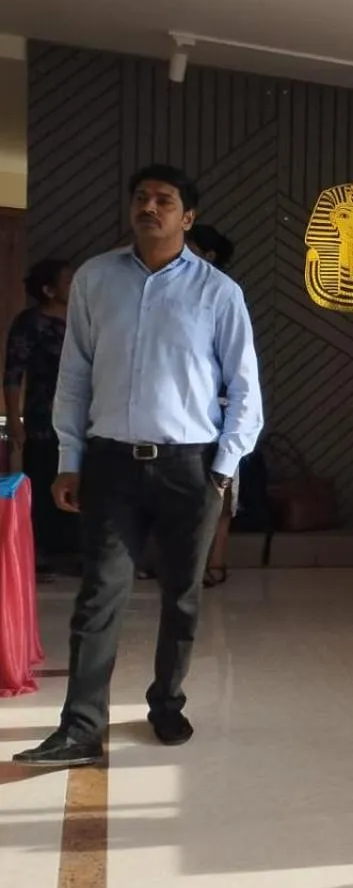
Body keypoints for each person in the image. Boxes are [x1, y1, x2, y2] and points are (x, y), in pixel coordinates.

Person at [12, 165, 264, 768]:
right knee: (99, 595)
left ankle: (166, 703)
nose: (149, 207)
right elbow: (74, 376)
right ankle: (79, 727)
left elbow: (245, 388)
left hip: (189, 467)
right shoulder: (97, 278)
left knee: (181, 595)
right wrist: (70, 458)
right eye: (141, 198)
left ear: (188, 217)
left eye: (164, 200)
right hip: (111, 466)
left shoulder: (217, 293)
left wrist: (223, 471)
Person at [4, 259, 75, 580]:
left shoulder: (81, 320)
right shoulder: (30, 323)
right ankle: (38, 555)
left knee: (81, 481)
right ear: (48, 290)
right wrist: (15, 421)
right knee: (43, 480)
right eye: (66, 281)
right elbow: (13, 373)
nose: (73, 285)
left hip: (82, 418)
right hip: (43, 418)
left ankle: (77, 553)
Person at [189, 224, 238, 587]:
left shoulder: (223, 295)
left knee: (220, 492)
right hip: (182, 415)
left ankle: (215, 564)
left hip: (219, 412)